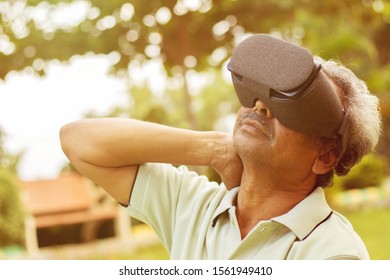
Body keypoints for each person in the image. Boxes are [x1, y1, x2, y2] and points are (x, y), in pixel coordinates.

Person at [60, 34, 381, 259]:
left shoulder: (334, 255)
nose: (261, 106)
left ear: (324, 157)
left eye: (293, 106)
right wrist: (213, 149)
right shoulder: (194, 205)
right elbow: (78, 141)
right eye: (265, 92)